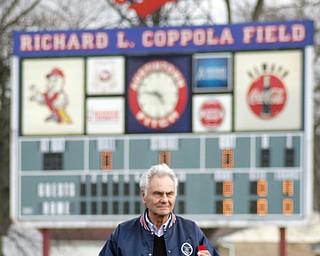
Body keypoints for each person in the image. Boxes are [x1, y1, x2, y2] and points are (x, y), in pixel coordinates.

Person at [99, 163, 220, 256]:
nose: (164, 199)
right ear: (143, 195)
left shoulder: (191, 231)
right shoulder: (123, 233)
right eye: (158, 193)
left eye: (169, 194)